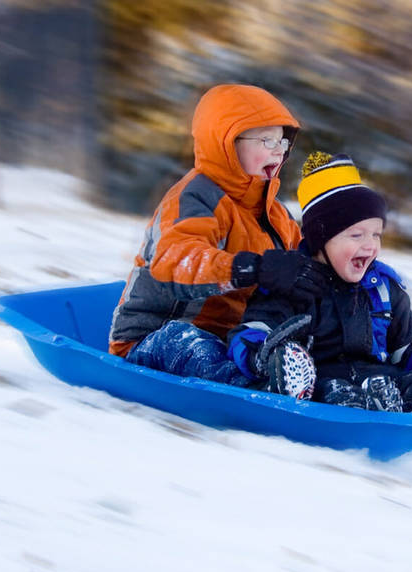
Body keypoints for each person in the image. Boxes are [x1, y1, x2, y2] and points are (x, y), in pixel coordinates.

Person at [227, 152, 412, 412]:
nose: (370, 246)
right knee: (333, 391)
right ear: (321, 239)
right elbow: (251, 331)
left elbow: (408, 345)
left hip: (381, 381)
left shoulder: (383, 287)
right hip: (317, 384)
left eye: (376, 235)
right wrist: (266, 357)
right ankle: (361, 405)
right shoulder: (292, 284)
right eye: (357, 235)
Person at [109, 84, 328, 384]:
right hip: (155, 338)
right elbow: (176, 262)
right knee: (190, 345)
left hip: (233, 344)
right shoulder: (193, 198)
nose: (279, 150)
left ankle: (309, 381)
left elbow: (305, 265)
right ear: (225, 143)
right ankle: (257, 390)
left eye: (282, 142)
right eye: (266, 140)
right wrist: (252, 269)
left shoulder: (276, 216)